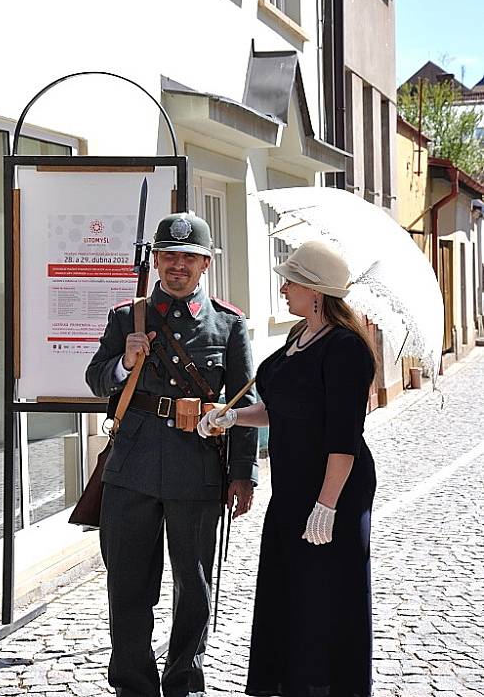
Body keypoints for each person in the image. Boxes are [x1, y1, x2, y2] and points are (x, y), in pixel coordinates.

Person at [86, 212, 258, 697]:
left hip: (196, 466)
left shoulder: (228, 323)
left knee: (194, 585)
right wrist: (124, 360)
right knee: (128, 584)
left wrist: (242, 474)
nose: (177, 265)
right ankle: (133, 684)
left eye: (188, 257)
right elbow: (97, 379)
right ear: (157, 261)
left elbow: (242, 402)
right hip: (132, 465)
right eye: (169, 256)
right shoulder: (128, 318)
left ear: (205, 264)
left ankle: (183, 679)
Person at [198, 239, 377, 697]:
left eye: (290, 280)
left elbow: (343, 437)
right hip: (294, 486)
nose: (282, 288)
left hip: (333, 486)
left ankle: (324, 687)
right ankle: (286, 684)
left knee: (324, 593)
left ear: (315, 291)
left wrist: (327, 506)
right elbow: (283, 410)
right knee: (287, 587)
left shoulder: (346, 349)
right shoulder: (299, 337)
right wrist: (234, 415)